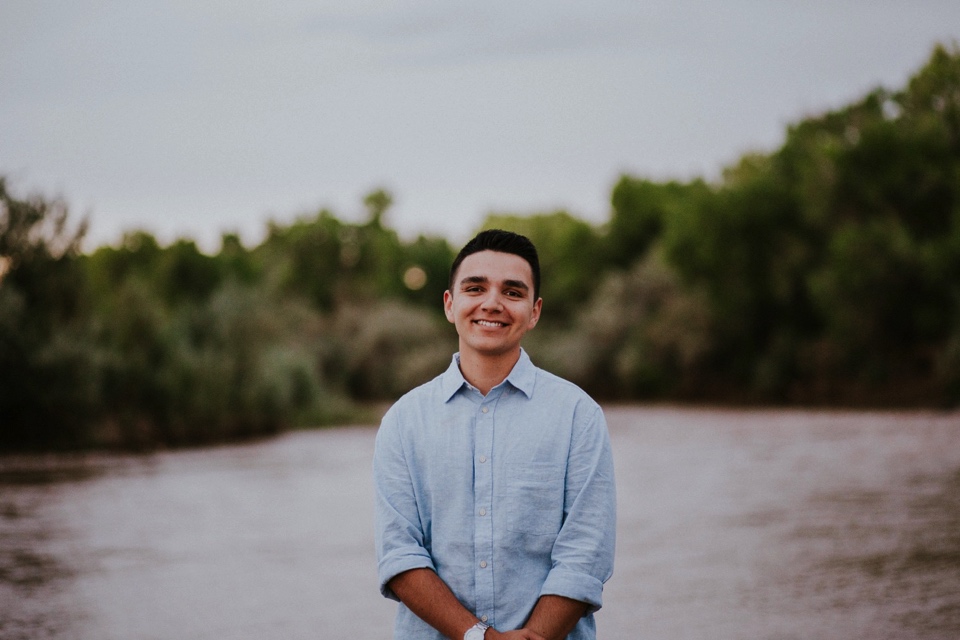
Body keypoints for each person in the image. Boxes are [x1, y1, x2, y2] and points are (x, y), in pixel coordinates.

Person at [373, 229, 616, 640]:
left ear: (534, 311)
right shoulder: (403, 420)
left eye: (512, 292)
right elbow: (400, 555)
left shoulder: (579, 416)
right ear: (450, 304)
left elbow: (585, 555)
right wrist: (480, 637)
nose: (492, 303)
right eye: (475, 288)